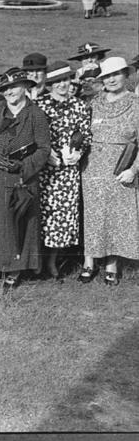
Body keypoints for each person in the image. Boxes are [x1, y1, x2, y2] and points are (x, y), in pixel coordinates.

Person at [0, 68, 50, 288]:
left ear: (25, 87)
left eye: (14, 87)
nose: (9, 92)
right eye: (5, 88)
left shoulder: (35, 114)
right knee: (0, 222)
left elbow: (44, 149)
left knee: (21, 222)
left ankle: (16, 269)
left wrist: (24, 166)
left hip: (23, 178)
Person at [79, 57, 139, 286]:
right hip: (92, 168)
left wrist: (134, 169)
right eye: (106, 76)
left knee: (115, 217)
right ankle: (89, 261)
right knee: (92, 216)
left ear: (126, 75)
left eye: (116, 74)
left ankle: (112, 264)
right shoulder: (93, 102)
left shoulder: (136, 104)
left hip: (120, 169)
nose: (111, 80)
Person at [35, 61, 91, 279]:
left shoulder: (79, 105)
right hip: (43, 169)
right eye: (57, 81)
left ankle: (52, 261)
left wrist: (78, 152)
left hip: (67, 171)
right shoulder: (38, 105)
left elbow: (85, 134)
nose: (61, 85)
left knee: (61, 217)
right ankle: (37, 262)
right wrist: (46, 153)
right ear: (50, 84)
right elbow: (32, 133)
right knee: (42, 214)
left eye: (65, 80)